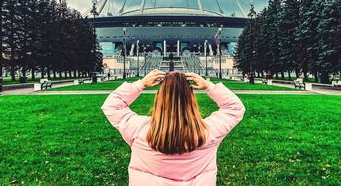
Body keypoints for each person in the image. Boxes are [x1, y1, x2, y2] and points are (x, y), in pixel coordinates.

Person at [102, 69, 245, 185]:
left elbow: (112, 105)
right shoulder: (209, 133)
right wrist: (209, 86)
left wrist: (140, 84)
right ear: (191, 99)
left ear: (159, 97)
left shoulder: (139, 131)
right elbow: (235, 108)